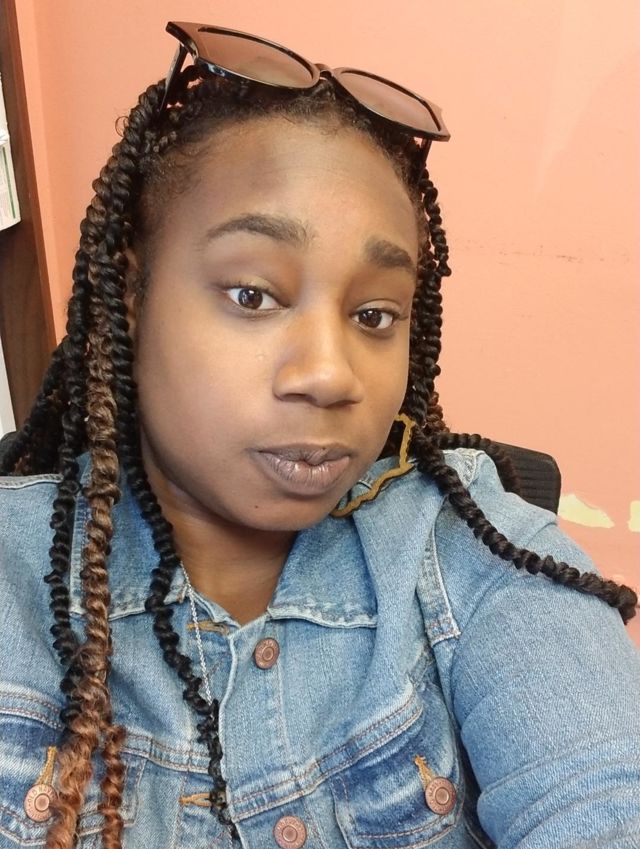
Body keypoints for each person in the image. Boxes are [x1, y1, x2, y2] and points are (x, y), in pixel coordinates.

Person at [1, 20, 639, 849]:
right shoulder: (15, 577)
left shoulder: (474, 553)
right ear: (132, 296)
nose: (333, 375)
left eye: (374, 314)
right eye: (254, 295)